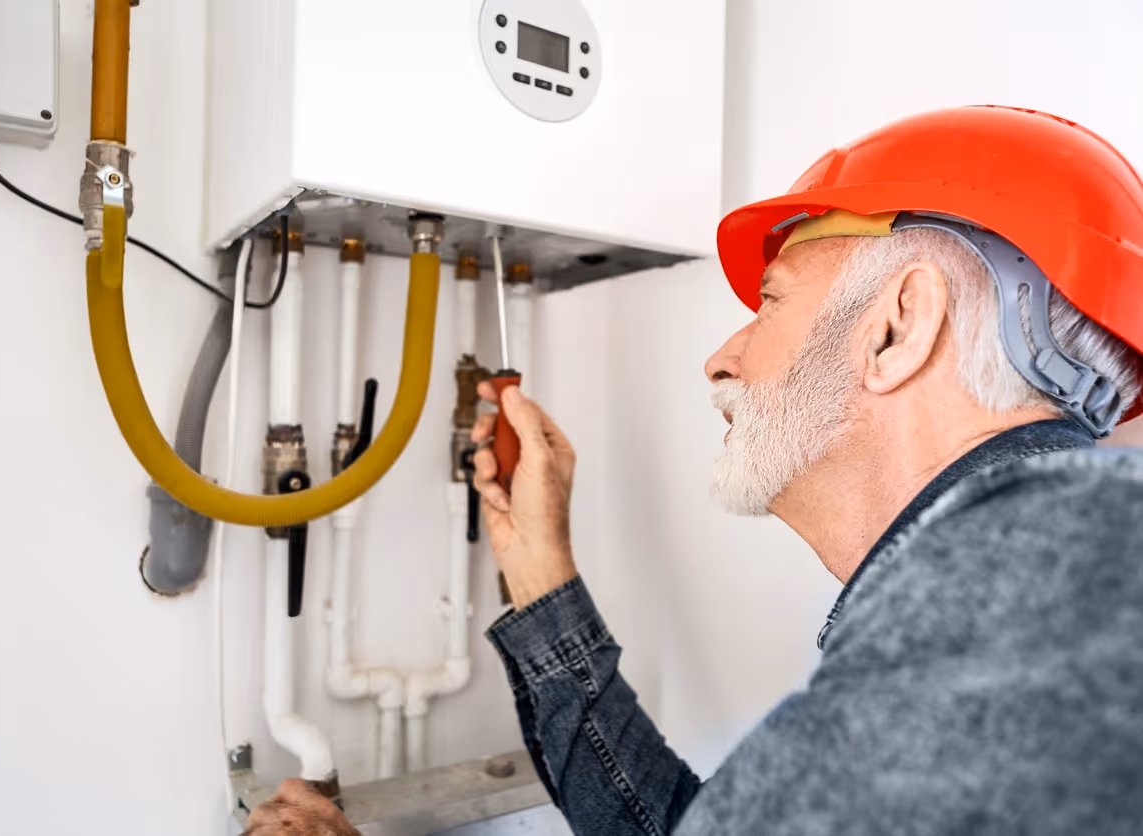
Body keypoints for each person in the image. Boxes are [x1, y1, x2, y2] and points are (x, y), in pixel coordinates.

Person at [247, 105, 1143, 834]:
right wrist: (541, 573)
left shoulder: (1063, 563)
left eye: (772, 302)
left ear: (898, 326)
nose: (722, 359)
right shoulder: (1023, 596)